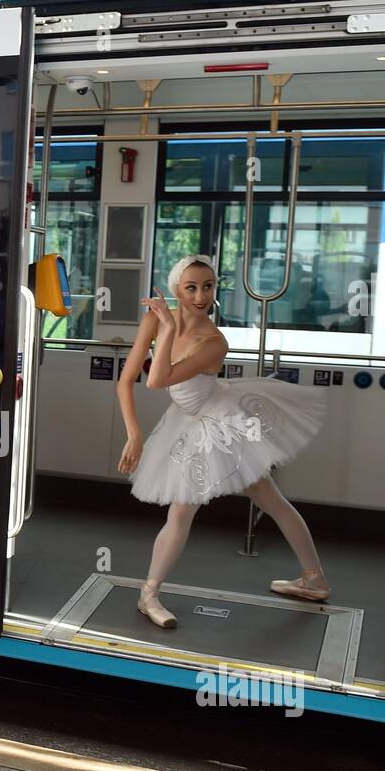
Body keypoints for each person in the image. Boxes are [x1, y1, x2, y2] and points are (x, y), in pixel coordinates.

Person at [116, 255, 331, 629]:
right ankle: (314, 579)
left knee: (189, 508)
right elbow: (126, 380)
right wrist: (134, 432)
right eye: (192, 287)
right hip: (185, 419)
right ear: (175, 289)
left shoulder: (214, 341)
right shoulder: (153, 319)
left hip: (218, 422)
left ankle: (147, 594)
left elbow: (157, 380)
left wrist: (166, 331)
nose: (201, 296)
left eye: (209, 286)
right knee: (267, 497)